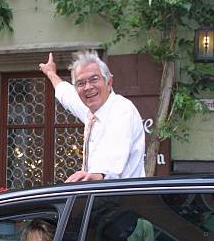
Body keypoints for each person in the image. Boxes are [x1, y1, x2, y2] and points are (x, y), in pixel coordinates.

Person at [39, 51, 145, 181]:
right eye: (81, 83)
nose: (88, 87)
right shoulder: (90, 109)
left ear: (109, 82)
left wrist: (96, 175)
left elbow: (113, 158)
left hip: (124, 197)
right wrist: (51, 74)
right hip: (98, 195)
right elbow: (66, 94)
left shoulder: (121, 109)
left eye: (94, 79)